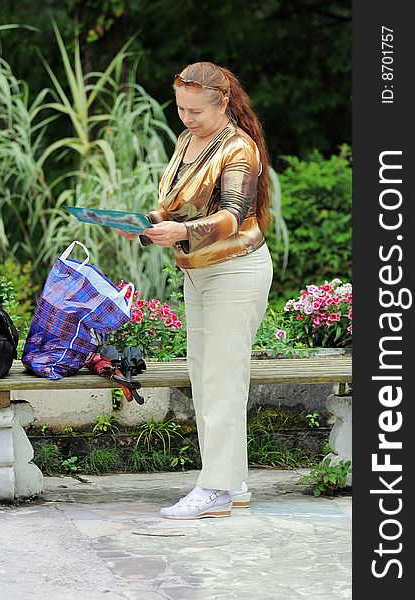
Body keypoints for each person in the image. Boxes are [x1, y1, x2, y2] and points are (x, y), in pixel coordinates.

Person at [118, 62, 273, 519]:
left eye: (195, 111)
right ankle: (235, 483)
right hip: (197, 271)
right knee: (207, 379)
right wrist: (144, 224)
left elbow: (231, 216)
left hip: (235, 270)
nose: (185, 118)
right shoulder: (188, 140)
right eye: (180, 109)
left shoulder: (239, 148)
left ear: (223, 103)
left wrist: (180, 234)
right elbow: (172, 204)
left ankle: (215, 491)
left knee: (223, 381)